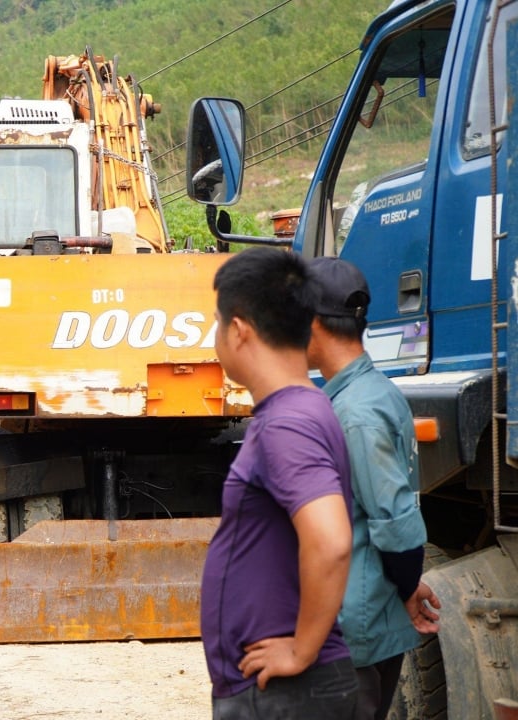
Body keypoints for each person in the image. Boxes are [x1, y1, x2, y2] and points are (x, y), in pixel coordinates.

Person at [202, 247, 358, 719]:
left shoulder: (287, 423)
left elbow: (330, 541)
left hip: (287, 697)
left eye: (216, 321)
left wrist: (301, 650)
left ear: (239, 329)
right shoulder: (304, 408)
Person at [305, 256, 442, 720]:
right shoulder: (373, 393)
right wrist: (406, 583)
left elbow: (394, 522)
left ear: (312, 323)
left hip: (352, 633)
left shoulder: (355, 414)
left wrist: (407, 584)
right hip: (369, 615)